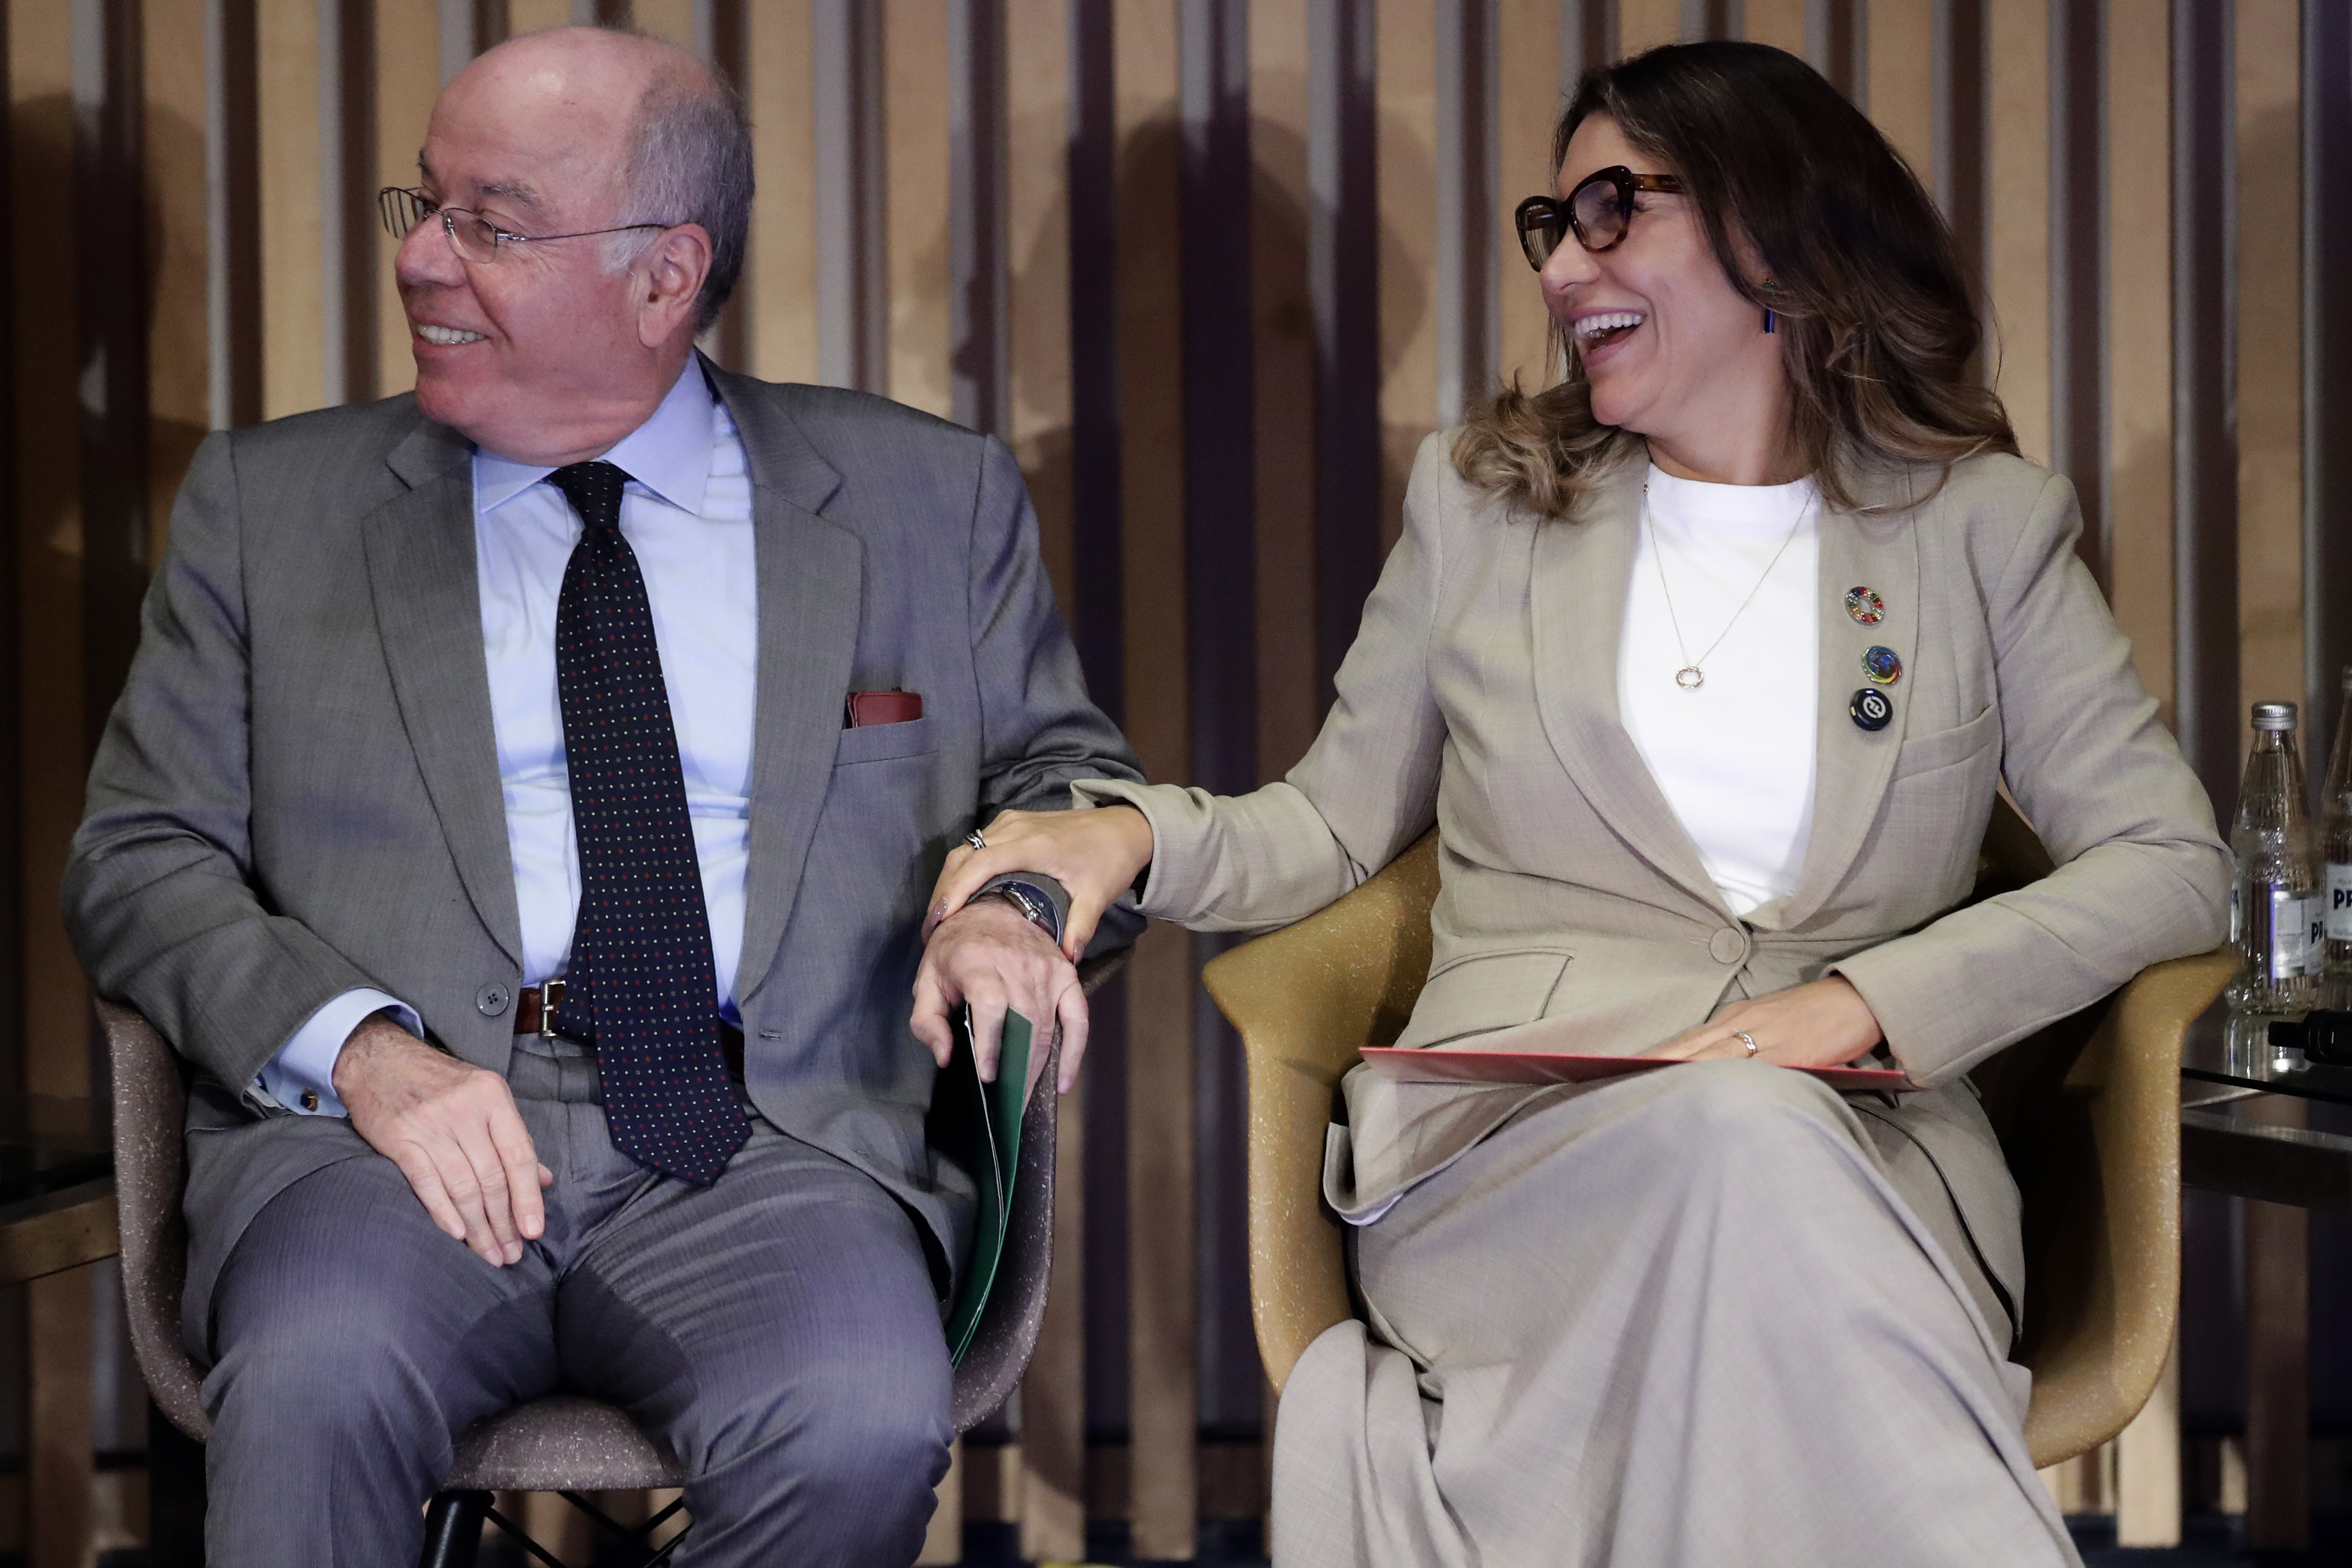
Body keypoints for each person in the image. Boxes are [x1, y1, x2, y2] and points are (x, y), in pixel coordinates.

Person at [922, 40, 2228, 1568]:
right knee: (1744, 1158)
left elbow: (2170, 862)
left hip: (1861, 1170)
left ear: (1779, 230)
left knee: (1756, 1148)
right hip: (1511, 1155)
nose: (1564, 265)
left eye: (1615, 210)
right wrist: (1127, 831)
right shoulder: (1486, 505)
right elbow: (1334, 828)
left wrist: (1868, 1004)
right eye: (1553, 224)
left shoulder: (1982, 528)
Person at [64, 26, 1135, 1567]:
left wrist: (1019, 908)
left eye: (490, 225)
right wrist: (359, 1052)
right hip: (387, 1152)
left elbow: (1064, 778)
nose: (424, 260)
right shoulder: (267, 509)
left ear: (664, 275)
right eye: (421, 206)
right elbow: (139, 858)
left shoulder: (924, 498)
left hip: (775, 1135)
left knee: (854, 1413)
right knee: (314, 1382)